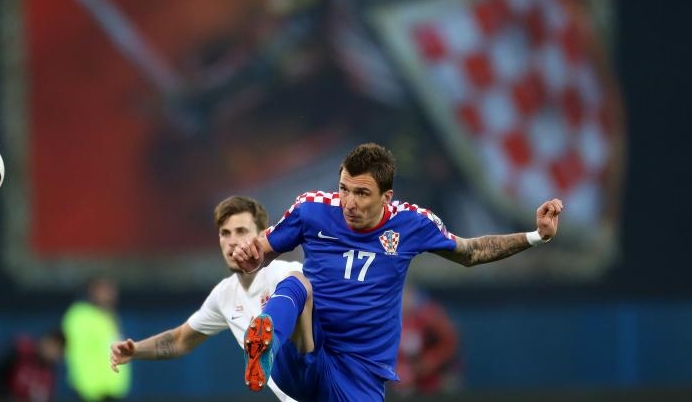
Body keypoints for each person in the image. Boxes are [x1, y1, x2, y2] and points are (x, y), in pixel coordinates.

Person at [232, 142, 564, 401]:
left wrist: (535, 236)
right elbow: (262, 249)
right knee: (297, 283)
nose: (349, 202)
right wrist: (251, 255)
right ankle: (264, 345)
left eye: (361, 193)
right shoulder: (312, 208)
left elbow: (470, 252)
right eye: (344, 188)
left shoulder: (412, 223)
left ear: (385, 197)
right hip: (306, 347)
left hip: (359, 368)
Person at [109, 196, 303, 401]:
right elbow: (180, 340)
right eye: (225, 233)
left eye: (242, 231)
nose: (232, 241)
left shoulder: (289, 275)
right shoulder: (225, 295)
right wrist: (136, 350)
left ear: (263, 235)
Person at [62, 276, 130, 401]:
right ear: (92, 291)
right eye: (105, 289)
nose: (110, 294)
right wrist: (87, 388)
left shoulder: (109, 317)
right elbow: (79, 354)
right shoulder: (80, 315)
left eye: (111, 289)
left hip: (111, 392)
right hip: (91, 393)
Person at [393, 285, 461, 396]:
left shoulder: (431, 316)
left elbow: (449, 344)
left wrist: (428, 362)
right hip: (406, 379)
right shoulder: (391, 321)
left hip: (437, 374)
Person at [0, 328, 66, 402]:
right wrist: (7, 397)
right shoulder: (21, 351)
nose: (53, 353)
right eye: (53, 346)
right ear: (45, 341)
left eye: (58, 351)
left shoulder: (49, 373)